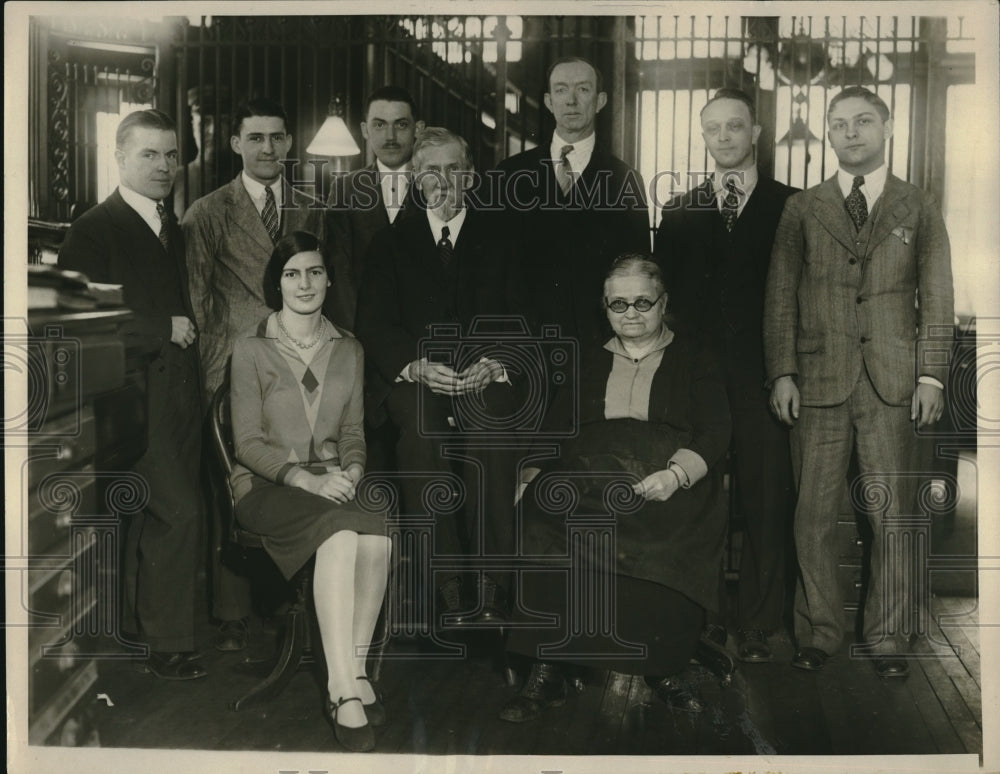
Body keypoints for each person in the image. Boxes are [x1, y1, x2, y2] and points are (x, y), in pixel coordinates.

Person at [764, 86, 954, 680]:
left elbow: (939, 297)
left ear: (888, 125)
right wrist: (782, 371)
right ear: (827, 133)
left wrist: (931, 374)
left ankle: (887, 637)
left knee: (891, 516)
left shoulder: (918, 206)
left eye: (863, 121)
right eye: (839, 123)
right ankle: (819, 631)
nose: (851, 133)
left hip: (894, 385)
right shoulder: (803, 208)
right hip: (817, 381)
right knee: (812, 514)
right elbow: (780, 296)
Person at [500, 255, 731, 723]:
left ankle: (663, 667)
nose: (631, 313)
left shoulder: (695, 357)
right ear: (604, 308)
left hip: (663, 479)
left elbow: (716, 430)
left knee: (670, 531)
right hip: (585, 476)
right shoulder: (585, 358)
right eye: (618, 303)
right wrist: (527, 480)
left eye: (643, 301)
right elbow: (553, 429)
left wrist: (677, 474)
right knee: (541, 517)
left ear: (664, 303)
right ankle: (549, 668)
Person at [58, 109, 207, 680]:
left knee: (156, 519)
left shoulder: (169, 222)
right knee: (179, 513)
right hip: (134, 397)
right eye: (149, 155)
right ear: (119, 157)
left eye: (171, 155)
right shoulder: (95, 227)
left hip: (179, 394)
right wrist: (160, 328)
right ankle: (167, 644)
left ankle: (138, 632)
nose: (164, 166)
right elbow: (78, 320)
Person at [229, 231, 390, 752]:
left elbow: (353, 434)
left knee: (378, 534)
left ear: (329, 279)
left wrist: (355, 471)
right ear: (276, 283)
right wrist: (305, 479)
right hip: (268, 487)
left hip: (328, 481)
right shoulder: (250, 348)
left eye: (315, 272)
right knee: (342, 536)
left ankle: (359, 668)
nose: (305, 283)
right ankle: (341, 690)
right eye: (293, 273)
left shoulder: (350, 347)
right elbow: (248, 444)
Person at [356, 127, 523, 624]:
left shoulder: (504, 236)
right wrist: (415, 366)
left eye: (454, 169)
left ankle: (493, 585)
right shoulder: (389, 243)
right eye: (432, 170)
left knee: (491, 429)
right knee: (420, 431)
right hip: (419, 380)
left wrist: (498, 361)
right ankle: (447, 585)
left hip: (486, 377)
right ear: (415, 178)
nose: (443, 180)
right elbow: (374, 323)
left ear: (470, 176)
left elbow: (527, 313)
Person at [655, 88, 798, 663]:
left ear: (756, 132)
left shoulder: (793, 207)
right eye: (712, 128)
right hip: (703, 384)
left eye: (734, 126)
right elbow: (668, 303)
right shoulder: (680, 210)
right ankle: (706, 620)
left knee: (767, 502)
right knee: (703, 500)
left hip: (768, 380)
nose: (723, 138)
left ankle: (762, 625)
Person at [183, 97, 329, 651]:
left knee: (294, 470)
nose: (267, 148)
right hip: (233, 364)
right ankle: (231, 611)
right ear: (236, 144)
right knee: (235, 479)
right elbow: (197, 302)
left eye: (277, 137)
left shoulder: (310, 208)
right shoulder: (208, 212)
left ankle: (289, 602)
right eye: (256, 138)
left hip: (298, 359)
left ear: (289, 144)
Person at [495, 56, 649, 350]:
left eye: (583, 89)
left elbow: (637, 270)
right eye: (562, 90)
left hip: (597, 343)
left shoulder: (624, 179)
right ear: (549, 101)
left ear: (601, 100)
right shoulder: (510, 173)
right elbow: (493, 266)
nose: (572, 101)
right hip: (524, 343)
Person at [327, 86, 425, 331]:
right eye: (379, 125)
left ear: (418, 129)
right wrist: (356, 336)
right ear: (364, 130)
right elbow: (338, 272)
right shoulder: (345, 189)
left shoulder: (436, 186)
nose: (390, 136)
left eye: (401, 125)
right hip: (362, 337)